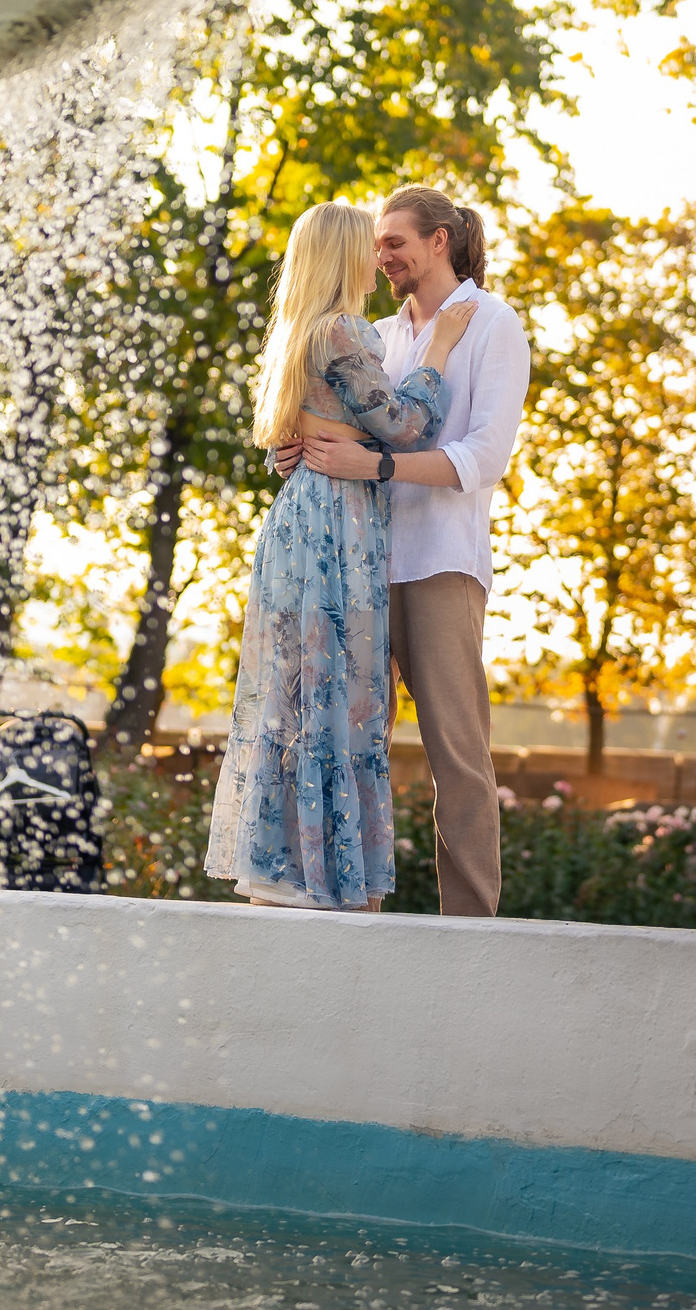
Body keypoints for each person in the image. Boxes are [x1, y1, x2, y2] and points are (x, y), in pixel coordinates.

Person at [205, 201, 475, 910]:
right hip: (337, 526)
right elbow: (406, 425)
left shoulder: (294, 332)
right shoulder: (344, 330)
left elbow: (290, 439)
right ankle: (329, 883)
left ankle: (280, 870)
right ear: (344, 256)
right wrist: (440, 349)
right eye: (369, 246)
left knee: (296, 691)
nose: (379, 259)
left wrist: (295, 452)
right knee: (345, 695)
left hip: (296, 523)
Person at [283, 187, 529, 917]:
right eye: (376, 243)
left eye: (394, 241)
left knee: (457, 754)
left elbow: (485, 456)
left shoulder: (493, 324)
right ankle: (350, 917)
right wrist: (302, 448)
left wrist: (377, 466)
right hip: (358, 559)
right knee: (351, 739)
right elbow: (358, 427)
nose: (380, 254)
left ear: (439, 241)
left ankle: (472, 929)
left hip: (439, 563)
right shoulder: (377, 332)